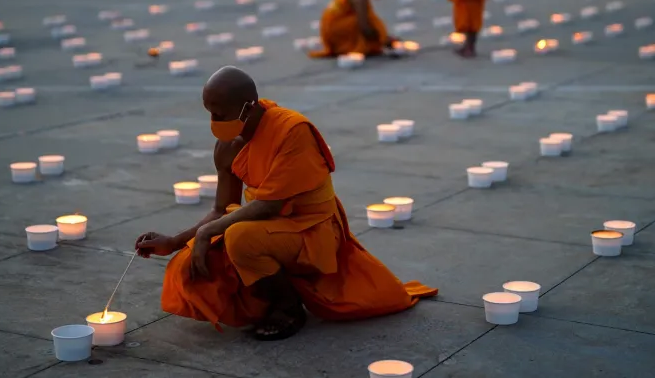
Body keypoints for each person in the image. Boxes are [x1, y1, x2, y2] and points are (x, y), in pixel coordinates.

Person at [135, 67, 437, 340]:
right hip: (266, 227)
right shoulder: (227, 145)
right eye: (209, 113)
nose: (214, 123)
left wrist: (206, 234)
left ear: (249, 107)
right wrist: (174, 242)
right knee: (191, 264)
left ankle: (288, 308)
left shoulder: (292, 131)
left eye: (221, 114)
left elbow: (269, 205)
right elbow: (220, 207)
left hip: (312, 230)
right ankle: (266, 295)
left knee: (238, 239)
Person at [309, 0, 396, 58]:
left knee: (369, 21)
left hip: (329, 28)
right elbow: (364, 27)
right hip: (334, 30)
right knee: (366, 23)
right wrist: (382, 41)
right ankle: (349, 47)